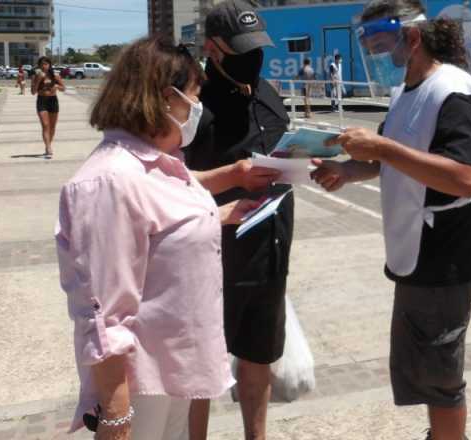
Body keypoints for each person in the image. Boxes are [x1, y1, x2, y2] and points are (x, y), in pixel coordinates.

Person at [57, 36, 277, 440]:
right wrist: (117, 416)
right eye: (194, 96)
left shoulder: (159, 163)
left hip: (176, 369)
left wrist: (223, 204)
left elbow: (169, 206)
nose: (198, 108)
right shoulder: (110, 182)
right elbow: (102, 313)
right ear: (163, 99)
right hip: (143, 383)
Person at [311, 0, 471, 438]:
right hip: (415, 249)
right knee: (426, 368)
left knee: (442, 377)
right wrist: (348, 169)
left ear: (412, 38)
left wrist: (381, 150)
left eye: (381, 42)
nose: (377, 55)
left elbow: (465, 178)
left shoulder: (454, 91)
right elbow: (395, 162)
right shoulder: (404, 94)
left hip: (447, 251)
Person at [184, 1, 294, 438]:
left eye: (257, 46)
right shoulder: (193, 107)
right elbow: (170, 185)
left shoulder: (268, 94)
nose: (253, 57)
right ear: (212, 48)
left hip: (270, 251)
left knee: (259, 356)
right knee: (201, 368)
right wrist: (232, 179)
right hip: (213, 257)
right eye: (241, 48)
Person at [32, 56, 65, 158]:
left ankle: (48, 145)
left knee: (52, 126)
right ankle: (48, 147)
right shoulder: (37, 76)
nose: (44, 66)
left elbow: (63, 88)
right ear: (39, 65)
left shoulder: (55, 76)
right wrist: (38, 80)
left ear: (49, 65)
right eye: (41, 64)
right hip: (42, 101)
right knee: (45, 125)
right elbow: (33, 92)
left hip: (53, 101)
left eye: (46, 64)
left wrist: (57, 86)